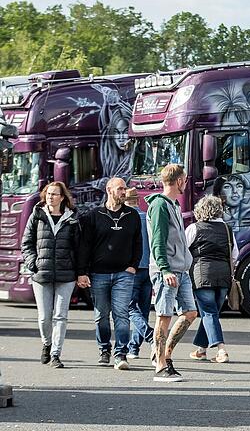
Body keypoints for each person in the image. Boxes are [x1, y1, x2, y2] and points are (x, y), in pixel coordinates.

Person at [78, 177, 143, 370]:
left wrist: (133, 265)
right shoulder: (93, 215)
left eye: (125, 189)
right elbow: (84, 246)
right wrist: (82, 272)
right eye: (120, 189)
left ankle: (121, 353)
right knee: (101, 315)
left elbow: (138, 243)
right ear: (109, 190)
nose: (124, 192)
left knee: (122, 314)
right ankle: (104, 349)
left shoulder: (132, 215)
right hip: (99, 274)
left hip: (124, 273)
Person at [146, 164, 197, 382]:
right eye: (184, 180)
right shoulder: (160, 206)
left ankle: (164, 355)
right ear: (178, 181)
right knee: (164, 316)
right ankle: (160, 365)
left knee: (190, 313)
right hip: (167, 271)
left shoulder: (174, 205)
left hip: (181, 269)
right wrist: (165, 269)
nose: (186, 183)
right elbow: (157, 241)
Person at [21, 181, 80, 369]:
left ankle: (56, 353)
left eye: (55, 194)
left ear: (62, 197)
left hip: (66, 275)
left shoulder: (72, 218)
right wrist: (33, 263)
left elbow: (79, 248)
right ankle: (47, 344)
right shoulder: (37, 215)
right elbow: (26, 242)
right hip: (41, 273)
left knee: (60, 316)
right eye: (48, 194)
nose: (50, 197)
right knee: (44, 317)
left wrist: (79, 271)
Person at [186, 195, 239, 363]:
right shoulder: (227, 229)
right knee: (212, 313)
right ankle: (201, 350)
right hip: (223, 276)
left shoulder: (194, 228)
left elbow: (184, 252)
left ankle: (221, 349)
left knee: (208, 313)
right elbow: (235, 255)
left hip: (202, 275)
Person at [125, 188, 154, 359]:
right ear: (138, 201)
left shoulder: (128, 219)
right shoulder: (148, 217)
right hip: (149, 268)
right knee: (143, 310)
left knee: (128, 307)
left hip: (132, 268)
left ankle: (150, 336)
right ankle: (133, 348)